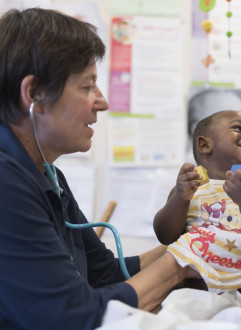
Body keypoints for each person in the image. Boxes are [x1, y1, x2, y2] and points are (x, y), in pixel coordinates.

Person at [0, 8, 198, 330]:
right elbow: (75, 316)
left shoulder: (47, 175)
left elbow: (104, 272)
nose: (103, 102)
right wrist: (180, 266)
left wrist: (195, 243)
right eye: (87, 85)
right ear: (34, 93)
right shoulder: (6, 184)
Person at [153, 110, 241, 314]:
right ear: (204, 145)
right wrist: (181, 198)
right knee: (160, 290)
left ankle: (235, 319)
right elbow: (165, 235)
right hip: (194, 280)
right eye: (238, 128)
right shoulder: (190, 185)